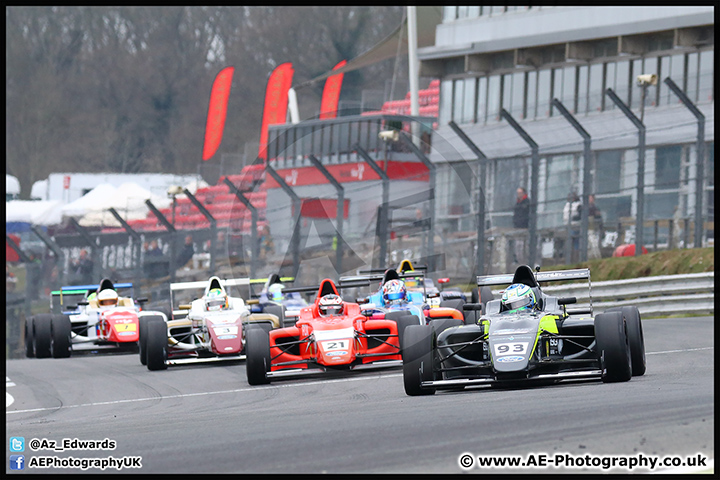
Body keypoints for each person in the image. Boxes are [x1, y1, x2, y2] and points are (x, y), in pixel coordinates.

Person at [563, 191, 582, 258]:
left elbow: (580, 216)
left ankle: (576, 255)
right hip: (568, 225)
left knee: (575, 241)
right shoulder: (567, 205)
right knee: (569, 241)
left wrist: (573, 218)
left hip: (575, 225)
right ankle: (568, 255)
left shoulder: (578, 205)